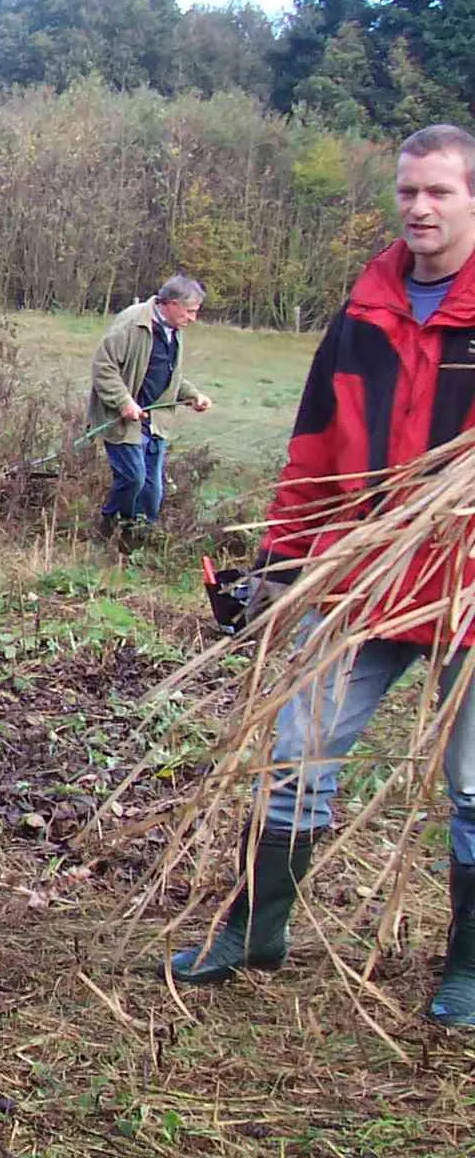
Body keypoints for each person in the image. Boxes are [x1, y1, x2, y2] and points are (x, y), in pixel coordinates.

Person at [168, 123, 475, 1029]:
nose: (419, 207)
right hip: (363, 577)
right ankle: (253, 930)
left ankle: (468, 968)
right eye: (408, 191)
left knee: (473, 787)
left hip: (467, 588)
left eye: (439, 192)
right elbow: (313, 451)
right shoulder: (364, 313)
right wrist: (280, 566)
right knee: (294, 755)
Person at [86, 275, 212, 544]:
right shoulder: (132, 323)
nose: (193, 318)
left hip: (155, 422)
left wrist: (192, 395)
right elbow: (103, 367)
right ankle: (106, 530)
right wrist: (124, 401)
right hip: (123, 419)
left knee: (151, 494)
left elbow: (168, 374)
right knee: (133, 479)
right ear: (172, 304)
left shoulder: (173, 330)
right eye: (190, 312)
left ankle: (135, 543)